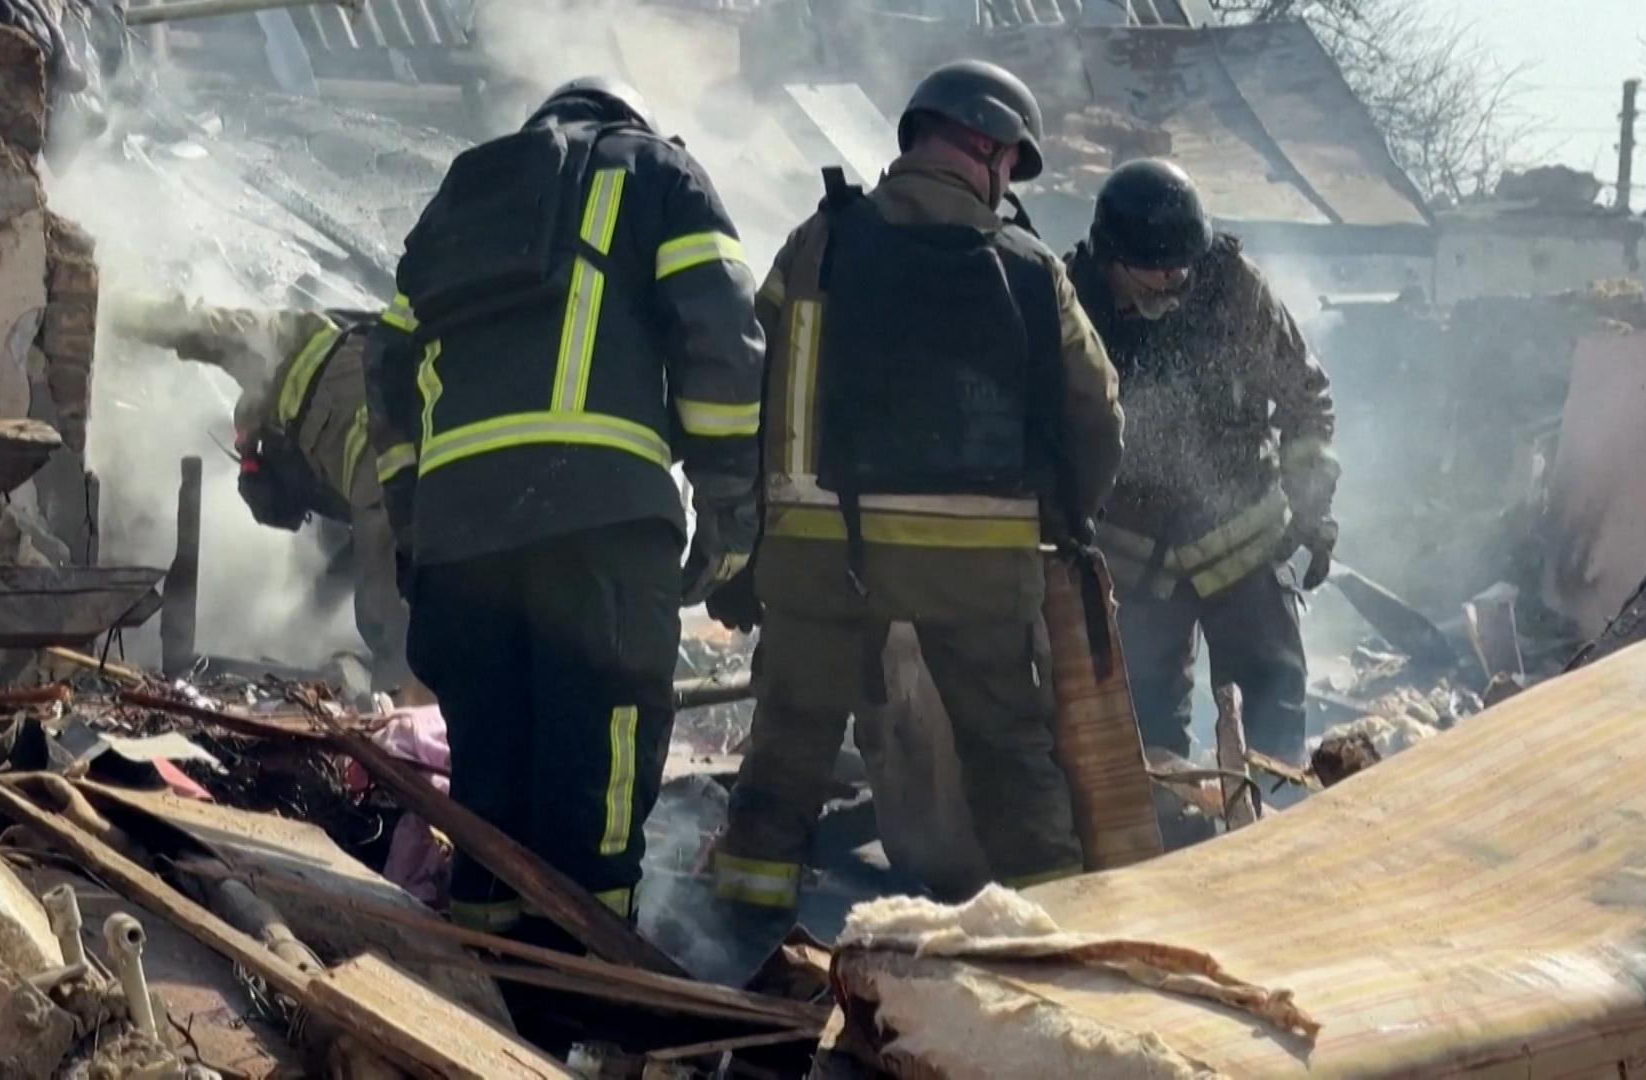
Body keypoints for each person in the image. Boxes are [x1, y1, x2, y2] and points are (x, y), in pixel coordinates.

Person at [709, 59, 1124, 913]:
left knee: (788, 748)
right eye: (1010, 162)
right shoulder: (1032, 270)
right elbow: (1098, 417)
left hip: (824, 557)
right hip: (977, 567)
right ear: (987, 149)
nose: (1007, 182)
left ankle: (737, 940)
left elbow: (756, 384)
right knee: (1011, 755)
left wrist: (752, 543)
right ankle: (1062, 933)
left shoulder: (820, 241)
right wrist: (1063, 520)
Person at [364, 77, 764, 938]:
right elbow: (723, 349)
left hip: (461, 542)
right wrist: (729, 507)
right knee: (600, 773)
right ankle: (582, 991)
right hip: (599, 530)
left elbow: (388, 367)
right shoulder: (658, 174)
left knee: (490, 783)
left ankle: (490, 994)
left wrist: (414, 521)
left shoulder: (458, 202)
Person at [1064, 158, 1338, 783]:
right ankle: (1169, 846)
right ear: (1111, 259)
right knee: (1142, 720)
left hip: (1243, 539)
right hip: (1132, 561)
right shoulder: (1070, 298)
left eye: (1183, 267)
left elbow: (1305, 398)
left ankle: (1275, 834)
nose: (1174, 282)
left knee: (1272, 700)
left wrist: (1312, 508)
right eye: (1155, 274)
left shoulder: (1232, 287)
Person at [103, 295, 412, 690]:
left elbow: (209, 326)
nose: (247, 451)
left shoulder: (283, 347)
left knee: (383, 612)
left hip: (396, 462)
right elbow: (345, 564)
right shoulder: (322, 475)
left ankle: (410, 728)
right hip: (423, 475)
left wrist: (128, 315)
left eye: (249, 449)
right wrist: (304, 629)